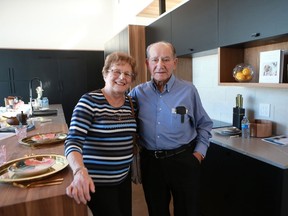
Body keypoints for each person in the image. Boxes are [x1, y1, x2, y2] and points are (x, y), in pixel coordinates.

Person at [129, 41, 213, 216]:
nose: (160, 65)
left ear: (175, 62)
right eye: (155, 60)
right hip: (151, 163)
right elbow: (119, 112)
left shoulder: (188, 90)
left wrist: (198, 154)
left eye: (166, 59)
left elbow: (204, 124)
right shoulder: (137, 93)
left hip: (183, 160)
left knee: (188, 210)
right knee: (156, 210)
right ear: (147, 63)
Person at [64, 52, 137, 216]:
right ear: (105, 74)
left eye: (127, 74)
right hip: (97, 183)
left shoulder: (131, 103)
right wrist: (79, 171)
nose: (121, 77)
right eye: (116, 71)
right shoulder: (89, 101)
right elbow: (73, 141)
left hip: (123, 179)